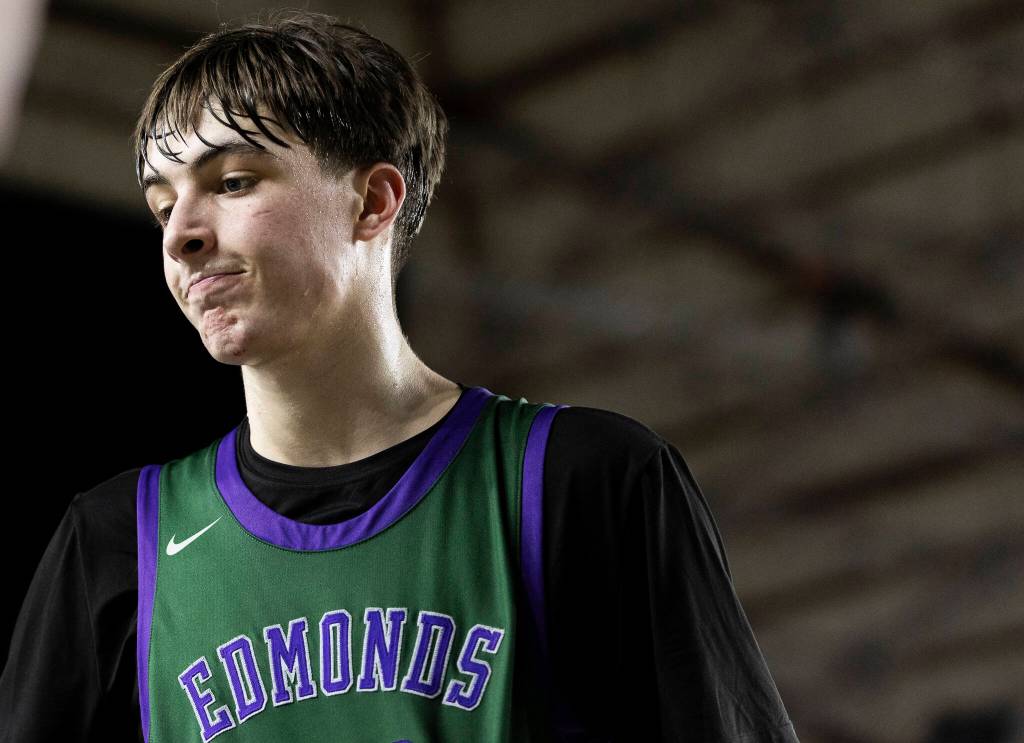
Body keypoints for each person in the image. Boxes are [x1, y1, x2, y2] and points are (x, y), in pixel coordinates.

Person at [0, 10, 800, 743]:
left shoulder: (585, 481)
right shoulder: (113, 544)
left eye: (233, 182)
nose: (182, 236)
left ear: (374, 202)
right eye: (162, 206)